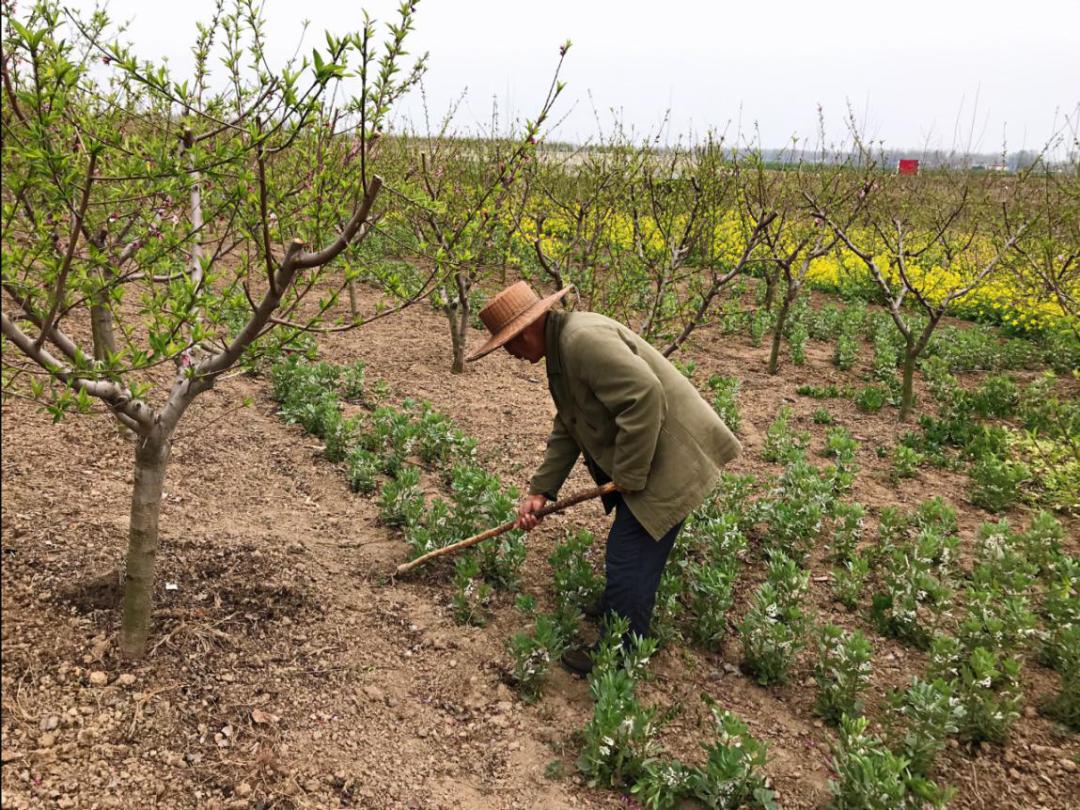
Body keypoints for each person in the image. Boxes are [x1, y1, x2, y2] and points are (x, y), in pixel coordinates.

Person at [467, 281, 741, 675]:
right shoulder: (562, 348)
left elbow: (644, 395)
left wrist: (629, 474)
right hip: (652, 455)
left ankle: (620, 653)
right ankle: (620, 608)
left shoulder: (582, 341)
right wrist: (541, 489)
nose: (510, 353)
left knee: (629, 554)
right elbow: (570, 423)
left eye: (508, 344)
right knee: (631, 553)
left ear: (526, 331)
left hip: (672, 456)